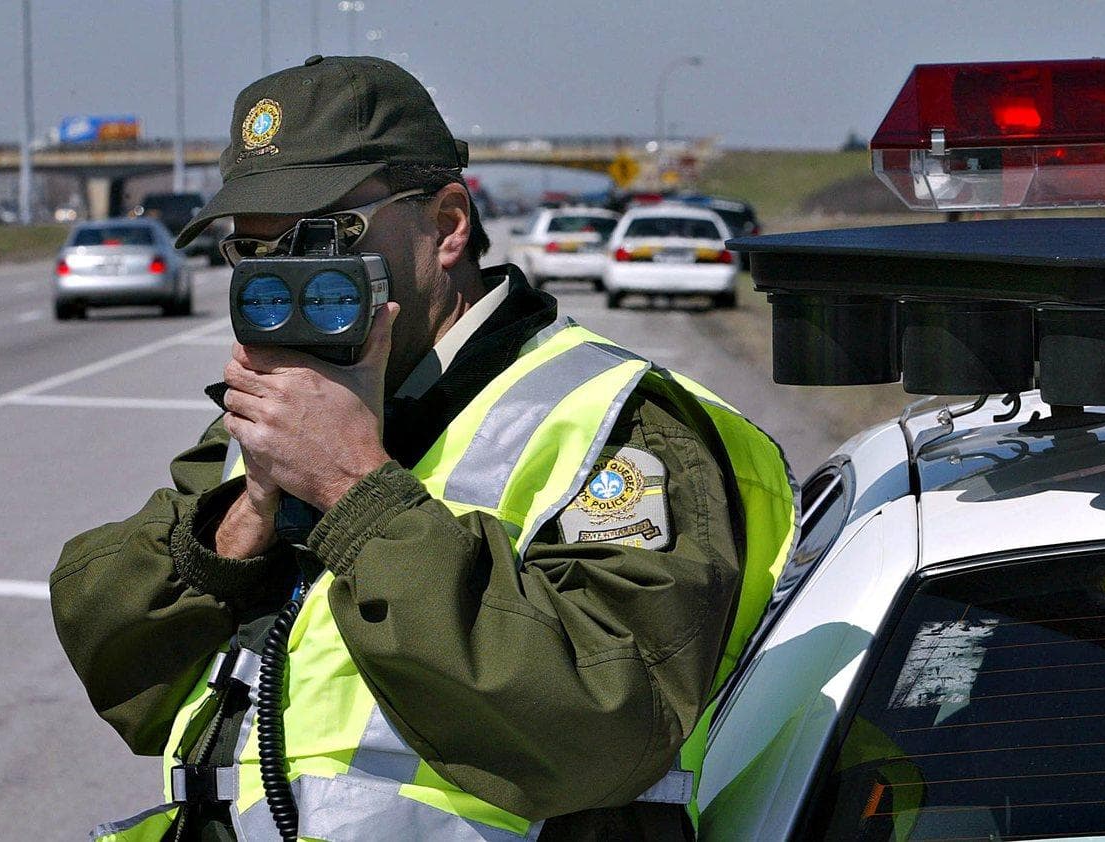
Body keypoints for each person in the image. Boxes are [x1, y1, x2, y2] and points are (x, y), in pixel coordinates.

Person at [51, 56, 798, 842]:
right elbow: (119, 666)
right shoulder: (283, 414)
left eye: (323, 238)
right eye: (255, 250)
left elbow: (603, 732)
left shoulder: (616, 426)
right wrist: (241, 525)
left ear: (446, 225)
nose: (285, 279)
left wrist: (356, 491)